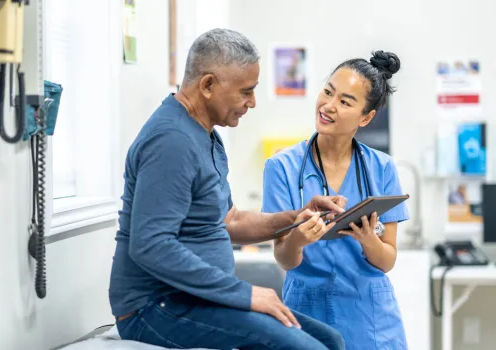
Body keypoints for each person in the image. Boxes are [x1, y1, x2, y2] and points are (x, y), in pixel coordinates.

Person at [108, 28, 347, 350]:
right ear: (207, 85)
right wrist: (245, 294)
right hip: (155, 307)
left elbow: (229, 220)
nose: (252, 102)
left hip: (196, 299)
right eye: (245, 92)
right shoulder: (172, 141)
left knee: (329, 339)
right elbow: (150, 245)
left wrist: (297, 217)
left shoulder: (206, 135)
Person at [261, 51, 410, 350]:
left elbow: (387, 260)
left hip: (371, 319)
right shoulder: (281, 168)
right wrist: (297, 239)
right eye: (328, 91)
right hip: (306, 313)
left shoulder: (381, 168)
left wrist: (369, 239)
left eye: (345, 101)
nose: (328, 106)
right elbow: (284, 258)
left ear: (366, 117)